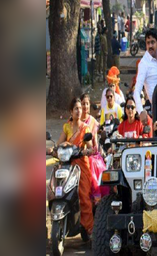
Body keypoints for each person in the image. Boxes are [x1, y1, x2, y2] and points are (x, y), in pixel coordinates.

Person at [51, 98, 95, 236]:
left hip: (81, 165)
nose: (79, 111)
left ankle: (89, 228)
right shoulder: (67, 127)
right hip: (67, 164)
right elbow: (59, 144)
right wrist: (53, 149)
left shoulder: (85, 128)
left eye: (80, 108)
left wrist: (88, 150)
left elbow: (90, 147)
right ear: (71, 111)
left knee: (83, 196)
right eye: (76, 108)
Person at [133, 29, 157, 122]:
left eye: (153, 42)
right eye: (148, 43)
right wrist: (141, 111)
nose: (150, 46)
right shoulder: (143, 63)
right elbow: (136, 91)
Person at [80, 93, 108, 199]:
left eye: (87, 104)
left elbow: (95, 144)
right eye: (83, 104)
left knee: (92, 163)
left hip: (91, 154)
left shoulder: (93, 122)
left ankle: (96, 196)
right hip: (76, 153)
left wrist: (90, 150)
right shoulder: (73, 121)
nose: (85, 107)